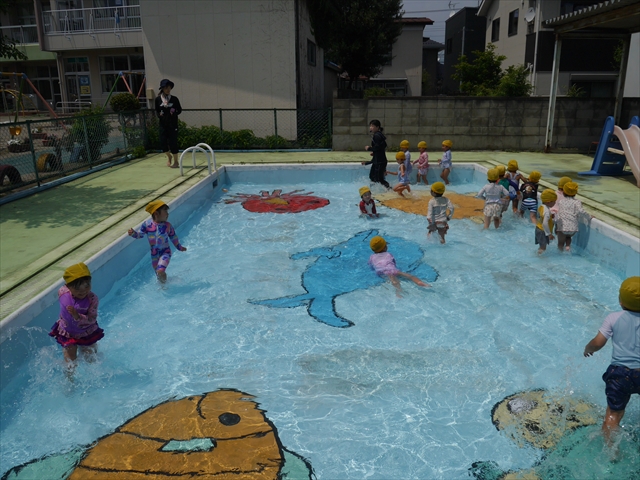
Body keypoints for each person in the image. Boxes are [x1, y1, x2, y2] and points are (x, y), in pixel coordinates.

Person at [583, 276, 640, 446]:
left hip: (619, 375)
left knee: (613, 415)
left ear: (621, 300)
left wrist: (588, 348)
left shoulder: (613, 318)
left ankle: (611, 452)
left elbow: (598, 343)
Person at [49, 263, 104, 366]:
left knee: (91, 359)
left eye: (87, 286)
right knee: (70, 363)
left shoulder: (92, 299)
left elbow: (92, 319)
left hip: (86, 332)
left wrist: (78, 316)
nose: (83, 291)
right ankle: (69, 376)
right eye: (78, 288)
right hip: (67, 332)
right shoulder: (63, 292)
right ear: (68, 286)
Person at [128, 200, 187, 282]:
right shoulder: (147, 225)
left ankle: (165, 284)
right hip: (154, 255)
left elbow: (173, 237)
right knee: (159, 275)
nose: (167, 214)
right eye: (165, 211)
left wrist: (179, 247)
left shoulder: (167, 226)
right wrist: (133, 234)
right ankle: (165, 286)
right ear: (156, 213)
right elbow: (140, 235)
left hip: (165, 252)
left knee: (160, 270)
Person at [555, 181, 593, 252]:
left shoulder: (561, 202)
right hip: (572, 228)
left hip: (562, 228)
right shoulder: (577, 202)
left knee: (560, 243)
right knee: (568, 236)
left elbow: (559, 214)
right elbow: (581, 211)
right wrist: (589, 217)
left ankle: (560, 251)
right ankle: (568, 246)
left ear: (564, 192)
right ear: (575, 193)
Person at [155, 79, 183, 168]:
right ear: (162, 88)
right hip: (163, 124)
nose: (168, 89)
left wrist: (174, 113)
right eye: (166, 88)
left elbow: (179, 110)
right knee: (163, 143)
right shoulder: (158, 99)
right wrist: (159, 115)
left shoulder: (174, 99)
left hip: (172, 124)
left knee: (173, 142)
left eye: (169, 88)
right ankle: (169, 156)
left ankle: (176, 162)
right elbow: (157, 110)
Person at [362, 119, 390, 189]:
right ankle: (374, 190)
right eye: (370, 126)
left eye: (373, 126)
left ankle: (390, 189)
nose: (371, 127)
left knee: (379, 179)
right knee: (373, 177)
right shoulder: (379, 135)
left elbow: (378, 146)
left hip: (380, 162)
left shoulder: (377, 135)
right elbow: (383, 146)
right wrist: (375, 152)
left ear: (377, 127)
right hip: (378, 161)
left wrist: (369, 148)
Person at [534, 189, 556, 255]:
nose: (555, 203)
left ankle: (538, 255)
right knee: (543, 248)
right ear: (548, 202)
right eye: (554, 201)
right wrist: (549, 234)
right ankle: (539, 257)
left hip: (538, 228)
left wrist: (550, 216)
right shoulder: (546, 211)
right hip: (542, 231)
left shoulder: (541, 207)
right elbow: (545, 223)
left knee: (541, 246)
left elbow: (541, 217)